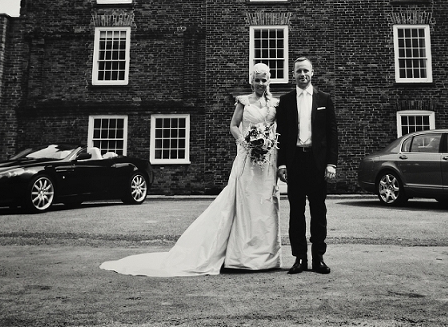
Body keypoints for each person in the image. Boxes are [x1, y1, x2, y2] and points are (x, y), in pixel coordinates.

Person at [101, 62, 280, 279]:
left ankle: (265, 256)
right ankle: (241, 256)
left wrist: (267, 143)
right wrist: (245, 142)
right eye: (257, 79)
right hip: (246, 159)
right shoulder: (243, 102)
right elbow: (233, 125)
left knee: (265, 206)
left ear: (269, 81)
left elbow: (277, 129)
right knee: (245, 204)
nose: (260, 83)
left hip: (267, 161)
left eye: (264, 79)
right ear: (251, 81)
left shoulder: (275, 104)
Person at [277, 56, 337, 275]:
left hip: (318, 163)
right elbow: (281, 135)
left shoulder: (324, 99)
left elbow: (332, 134)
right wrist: (282, 163)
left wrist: (331, 163)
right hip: (295, 163)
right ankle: (299, 258)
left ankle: (318, 258)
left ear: (312, 73)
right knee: (296, 213)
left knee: (319, 212)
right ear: (293, 74)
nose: (302, 75)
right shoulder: (286, 101)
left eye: (306, 71)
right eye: (298, 71)